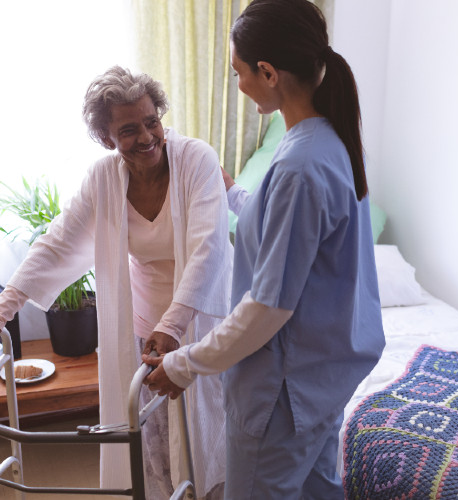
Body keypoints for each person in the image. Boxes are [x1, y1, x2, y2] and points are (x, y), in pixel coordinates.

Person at [143, 0, 386, 498]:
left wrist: (185, 363)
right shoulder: (325, 141)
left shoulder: (300, 165)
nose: (238, 85)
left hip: (282, 392)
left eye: (239, 72)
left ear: (269, 72)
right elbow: (291, 229)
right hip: (321, 382)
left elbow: (268, 307)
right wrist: (232, 192)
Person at [0, 66, 231, 499]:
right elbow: (56, 243)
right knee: (152, 434)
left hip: (203, 318)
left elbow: (208, 249)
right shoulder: (103, 179)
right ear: (107, 138)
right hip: (145, 325)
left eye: (151, 121)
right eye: (128, 130)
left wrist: (173, 325)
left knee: (207, 434)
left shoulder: (196, 158)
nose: (146, 137)